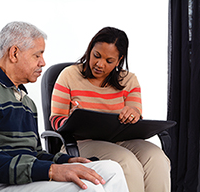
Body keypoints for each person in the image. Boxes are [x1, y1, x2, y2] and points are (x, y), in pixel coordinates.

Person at [0, 21, 129, 192]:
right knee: (86, 186)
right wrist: (51, 170)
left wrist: (66, 161)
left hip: (19, 180)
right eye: (37, 55)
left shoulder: (26, 102)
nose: (43, 62)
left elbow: (33, 153)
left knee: (111, 170)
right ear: (14, 53)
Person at [50, 27, 171, 192]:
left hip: (121, 140)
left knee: (156, 157)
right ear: (90, 49)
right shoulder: (69, 75)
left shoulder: (129, 80)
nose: (100, 64)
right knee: (126, 162)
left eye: (109, 60)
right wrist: (73, 121)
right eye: (96, 56)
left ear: (119, 60)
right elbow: (56, 119)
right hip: (81, 143)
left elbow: (136, 113)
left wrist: (134, 114)